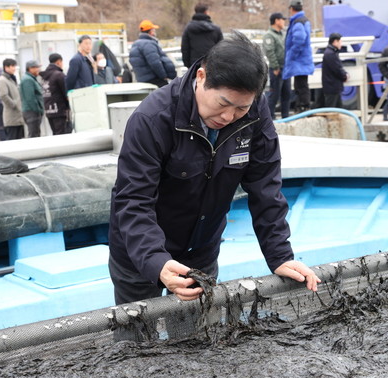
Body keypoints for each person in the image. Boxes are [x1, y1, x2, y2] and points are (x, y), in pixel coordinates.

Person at [109, 32, 320, 305]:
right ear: (200, 77)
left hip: (201, 248)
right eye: (223, 104)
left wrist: (280, 255)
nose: (229, 117)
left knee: (197, 339)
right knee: (136, 338)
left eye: (241, 108)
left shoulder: (255, 113)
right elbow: (134, 199)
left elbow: (266, 186)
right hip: (140, 252)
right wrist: (155, 260)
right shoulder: (152, 119)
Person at [283, 0, 315, 114]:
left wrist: (291, 55)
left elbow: (299, 40)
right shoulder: (303, 20)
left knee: (300, 85)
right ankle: (302, 106)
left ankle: (304, 107)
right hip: (303, 59)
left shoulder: (297, 22)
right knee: (301, 84)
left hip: (299, 60)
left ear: (291, 9)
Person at [129, 20, 177, 88]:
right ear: (151, 32)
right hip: (154, 80)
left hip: (142, 79)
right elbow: (155, 63)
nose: (155, 32)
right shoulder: (149, 44)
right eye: (154, 30)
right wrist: (163, 76)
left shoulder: (136, 44)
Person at [263, 12, 291, 119]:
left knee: (287, 94)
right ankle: (270, 117)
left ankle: (286, 116)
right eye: (282, 19)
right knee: (274, 94)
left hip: (286, 69)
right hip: (277, 69)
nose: (284, 22)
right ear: (276, 21)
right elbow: (270, 52)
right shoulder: (269, 35)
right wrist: (275, 67)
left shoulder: (282, 34)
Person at [181, 3, 223, 68]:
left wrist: (188, 65)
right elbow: (221, 48)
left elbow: (185, 48)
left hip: (194, 64)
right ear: (206, 12)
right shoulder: (216, 29)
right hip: (212, 64)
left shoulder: (188, 28)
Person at [40, 53, 71, 135]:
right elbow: (66, 92)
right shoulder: (59, 75)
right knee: (61, 134)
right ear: (59, 62)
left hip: (49, 110)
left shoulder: (44, 76)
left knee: (55, 133)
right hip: (59, 110)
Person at [0, 58, 24, 140]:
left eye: (14, 66)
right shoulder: (2, 80)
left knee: (19, 141)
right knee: (12, 140)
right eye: (12, 66)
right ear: (6, 67)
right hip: (11, 117)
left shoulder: (12, 78)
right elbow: (3, 96)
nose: (14, 68)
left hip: (18, 117)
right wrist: (14, 105)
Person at [322, 33, 348, 109]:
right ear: (335, 42)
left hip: (333, 87)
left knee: (338, 110)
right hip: (332, 87)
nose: (341, 44)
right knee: (332, 110)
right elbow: (337, 69)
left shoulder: (331, 52)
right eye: (340, 41)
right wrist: (344, 76)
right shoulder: (330, 54)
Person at [20, 60, 44, 138]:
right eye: (36, 67)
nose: (38, 69)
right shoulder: (28, 80)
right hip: (32, 112)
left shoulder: (31, 79)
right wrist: (38, 110)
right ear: (30, 69)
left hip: (33, 111)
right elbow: (30, 98)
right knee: (33, 136)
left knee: (36, 134)